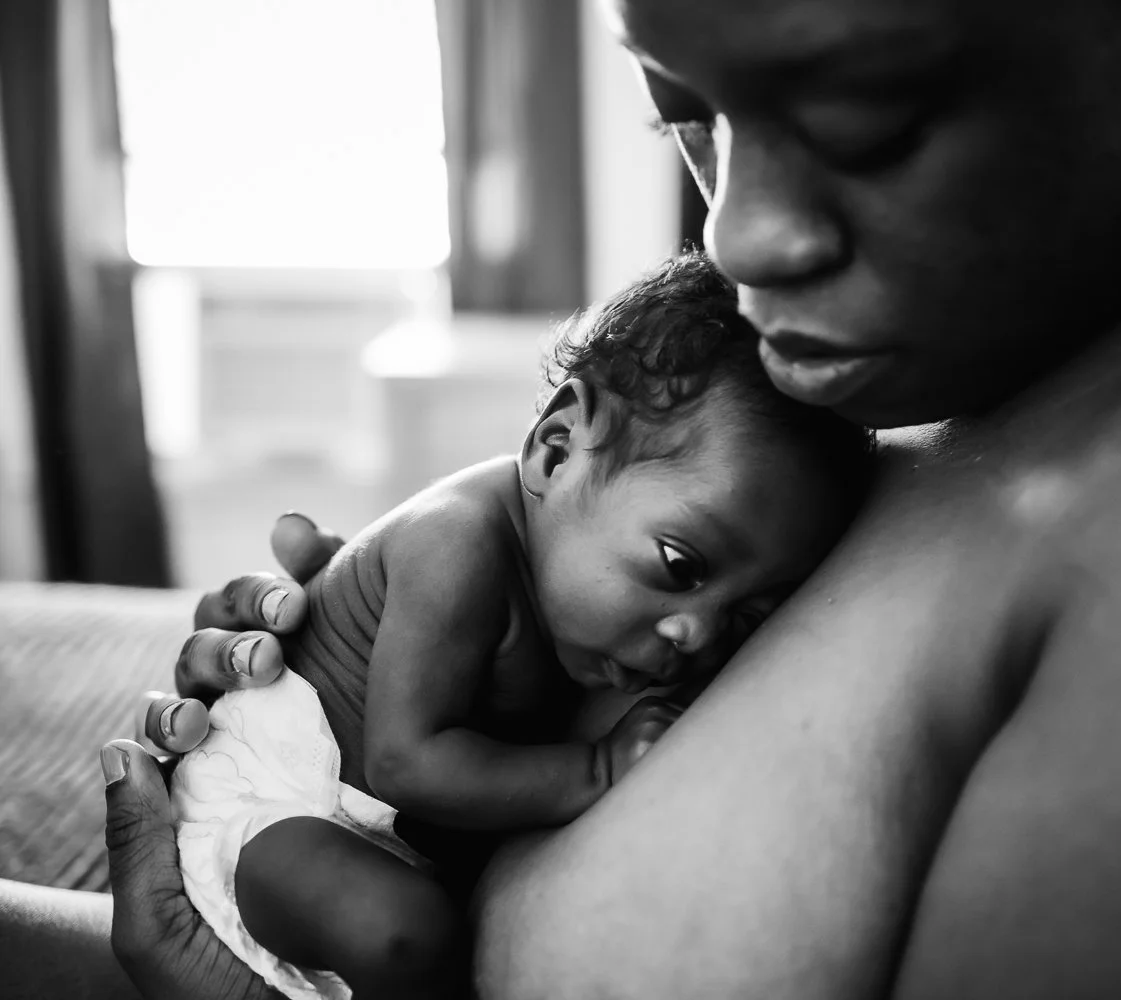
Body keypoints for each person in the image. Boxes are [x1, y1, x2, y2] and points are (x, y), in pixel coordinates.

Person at [4, 0, 1121, 996]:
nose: (742, 234)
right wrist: (404, 647)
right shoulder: (983, 356)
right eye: (686, 114)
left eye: (865, 121)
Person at [153, 251, 870, 1000]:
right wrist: (597, 769)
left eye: (746, 617)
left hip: (353, 827)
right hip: (270, 803)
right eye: (681, 564)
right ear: (558, 451)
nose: (699, 634)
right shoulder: (455, 543)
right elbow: (405, 762)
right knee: (403, 931)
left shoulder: (577, 602)